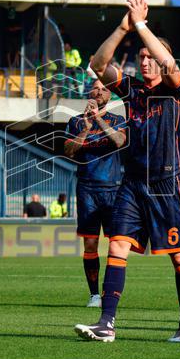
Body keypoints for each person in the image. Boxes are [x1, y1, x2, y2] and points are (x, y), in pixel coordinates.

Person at [74, 0, 180, 343]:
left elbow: (169, 64)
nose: (144, 61)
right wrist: (123, 27)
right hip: (132, 183)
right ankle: (106, 323)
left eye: (149, 56)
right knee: (117, 247)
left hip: (166, 184)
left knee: (179, 256)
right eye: (141, 57)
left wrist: (141, 26)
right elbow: (98, 65)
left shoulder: (175, 90)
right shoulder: (132, 90)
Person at [65, 80, 127, 307]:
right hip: (87, 189)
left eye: (104, 89)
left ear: (110, 95)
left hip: (113, 188)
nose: (99, 92)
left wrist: (98, 119)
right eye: (96, 88)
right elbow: (68, 150)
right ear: (89, 91)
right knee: (90, 244)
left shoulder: (118, 120)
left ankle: (109, 292)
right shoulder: (75, 121)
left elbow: (120, 141)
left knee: (115, 244)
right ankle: (94, 295)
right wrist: (86, 128)